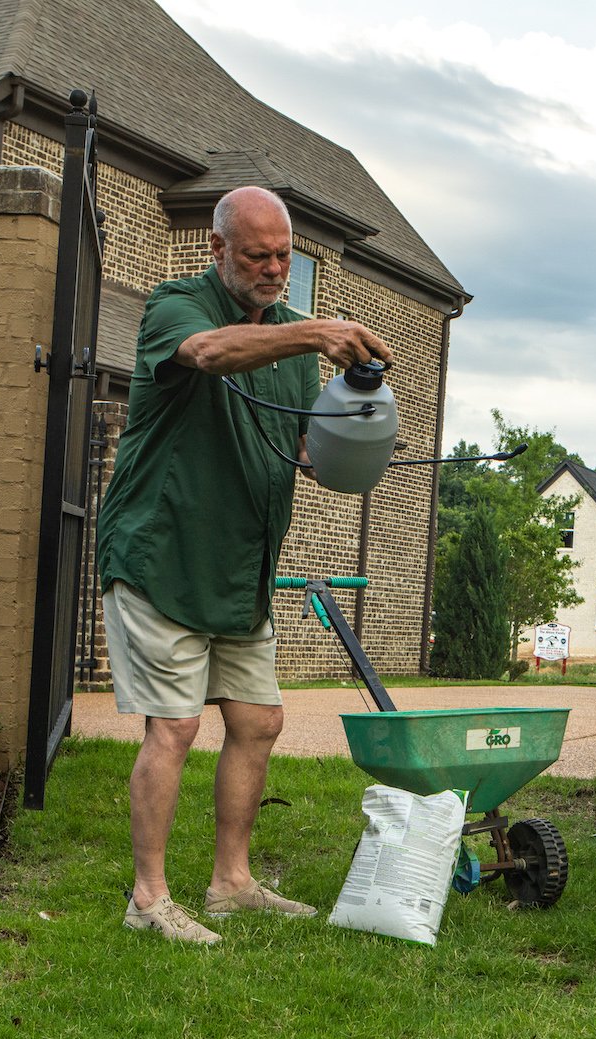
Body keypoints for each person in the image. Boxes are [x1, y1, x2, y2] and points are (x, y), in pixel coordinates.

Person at [95, 186, 393, 944]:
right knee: (174, 728)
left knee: (259, 722)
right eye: (257, 254)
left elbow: (302, 447)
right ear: (218, 250)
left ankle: (231, 884)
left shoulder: (295, 340)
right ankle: (148, 899)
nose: (273, 268)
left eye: (284, 255)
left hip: (240, 564)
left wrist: (343, 447)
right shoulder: (177, 306)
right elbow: (207, 354)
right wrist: (313, 335)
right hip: (163, 551)